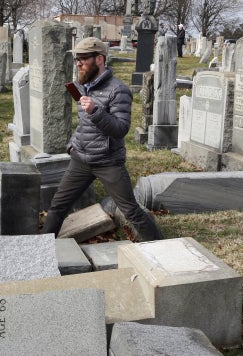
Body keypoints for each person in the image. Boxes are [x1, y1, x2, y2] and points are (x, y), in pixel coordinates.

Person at [40, 37, 163, 242]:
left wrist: (96, 111)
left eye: (83, 59)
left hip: (108, 161)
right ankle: (40, 248)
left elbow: (120, 129)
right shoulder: (82, 85)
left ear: (99, 59)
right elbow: (83, 123)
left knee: (131, 211)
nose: (78, 63)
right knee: (58, 206)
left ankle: (162, 247)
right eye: (76, 59)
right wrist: (73, 145)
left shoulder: (118, 90)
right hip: (81, 159)